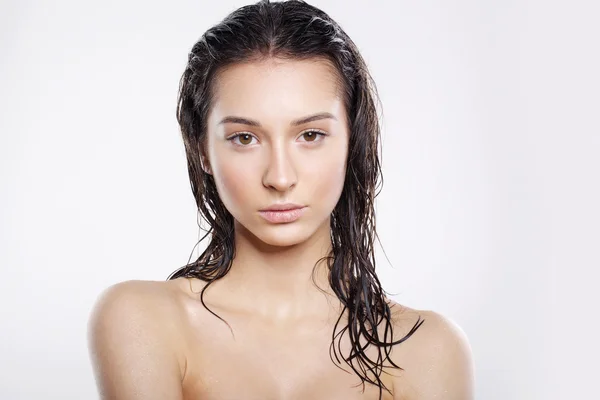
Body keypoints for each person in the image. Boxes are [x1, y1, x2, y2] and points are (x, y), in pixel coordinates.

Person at [87, 1, 474, 399]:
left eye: (310, 135)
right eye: (245, 138)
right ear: (202, 148)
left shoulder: (426, 349)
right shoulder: (142, 320)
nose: (280, 177)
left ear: (352, 141)